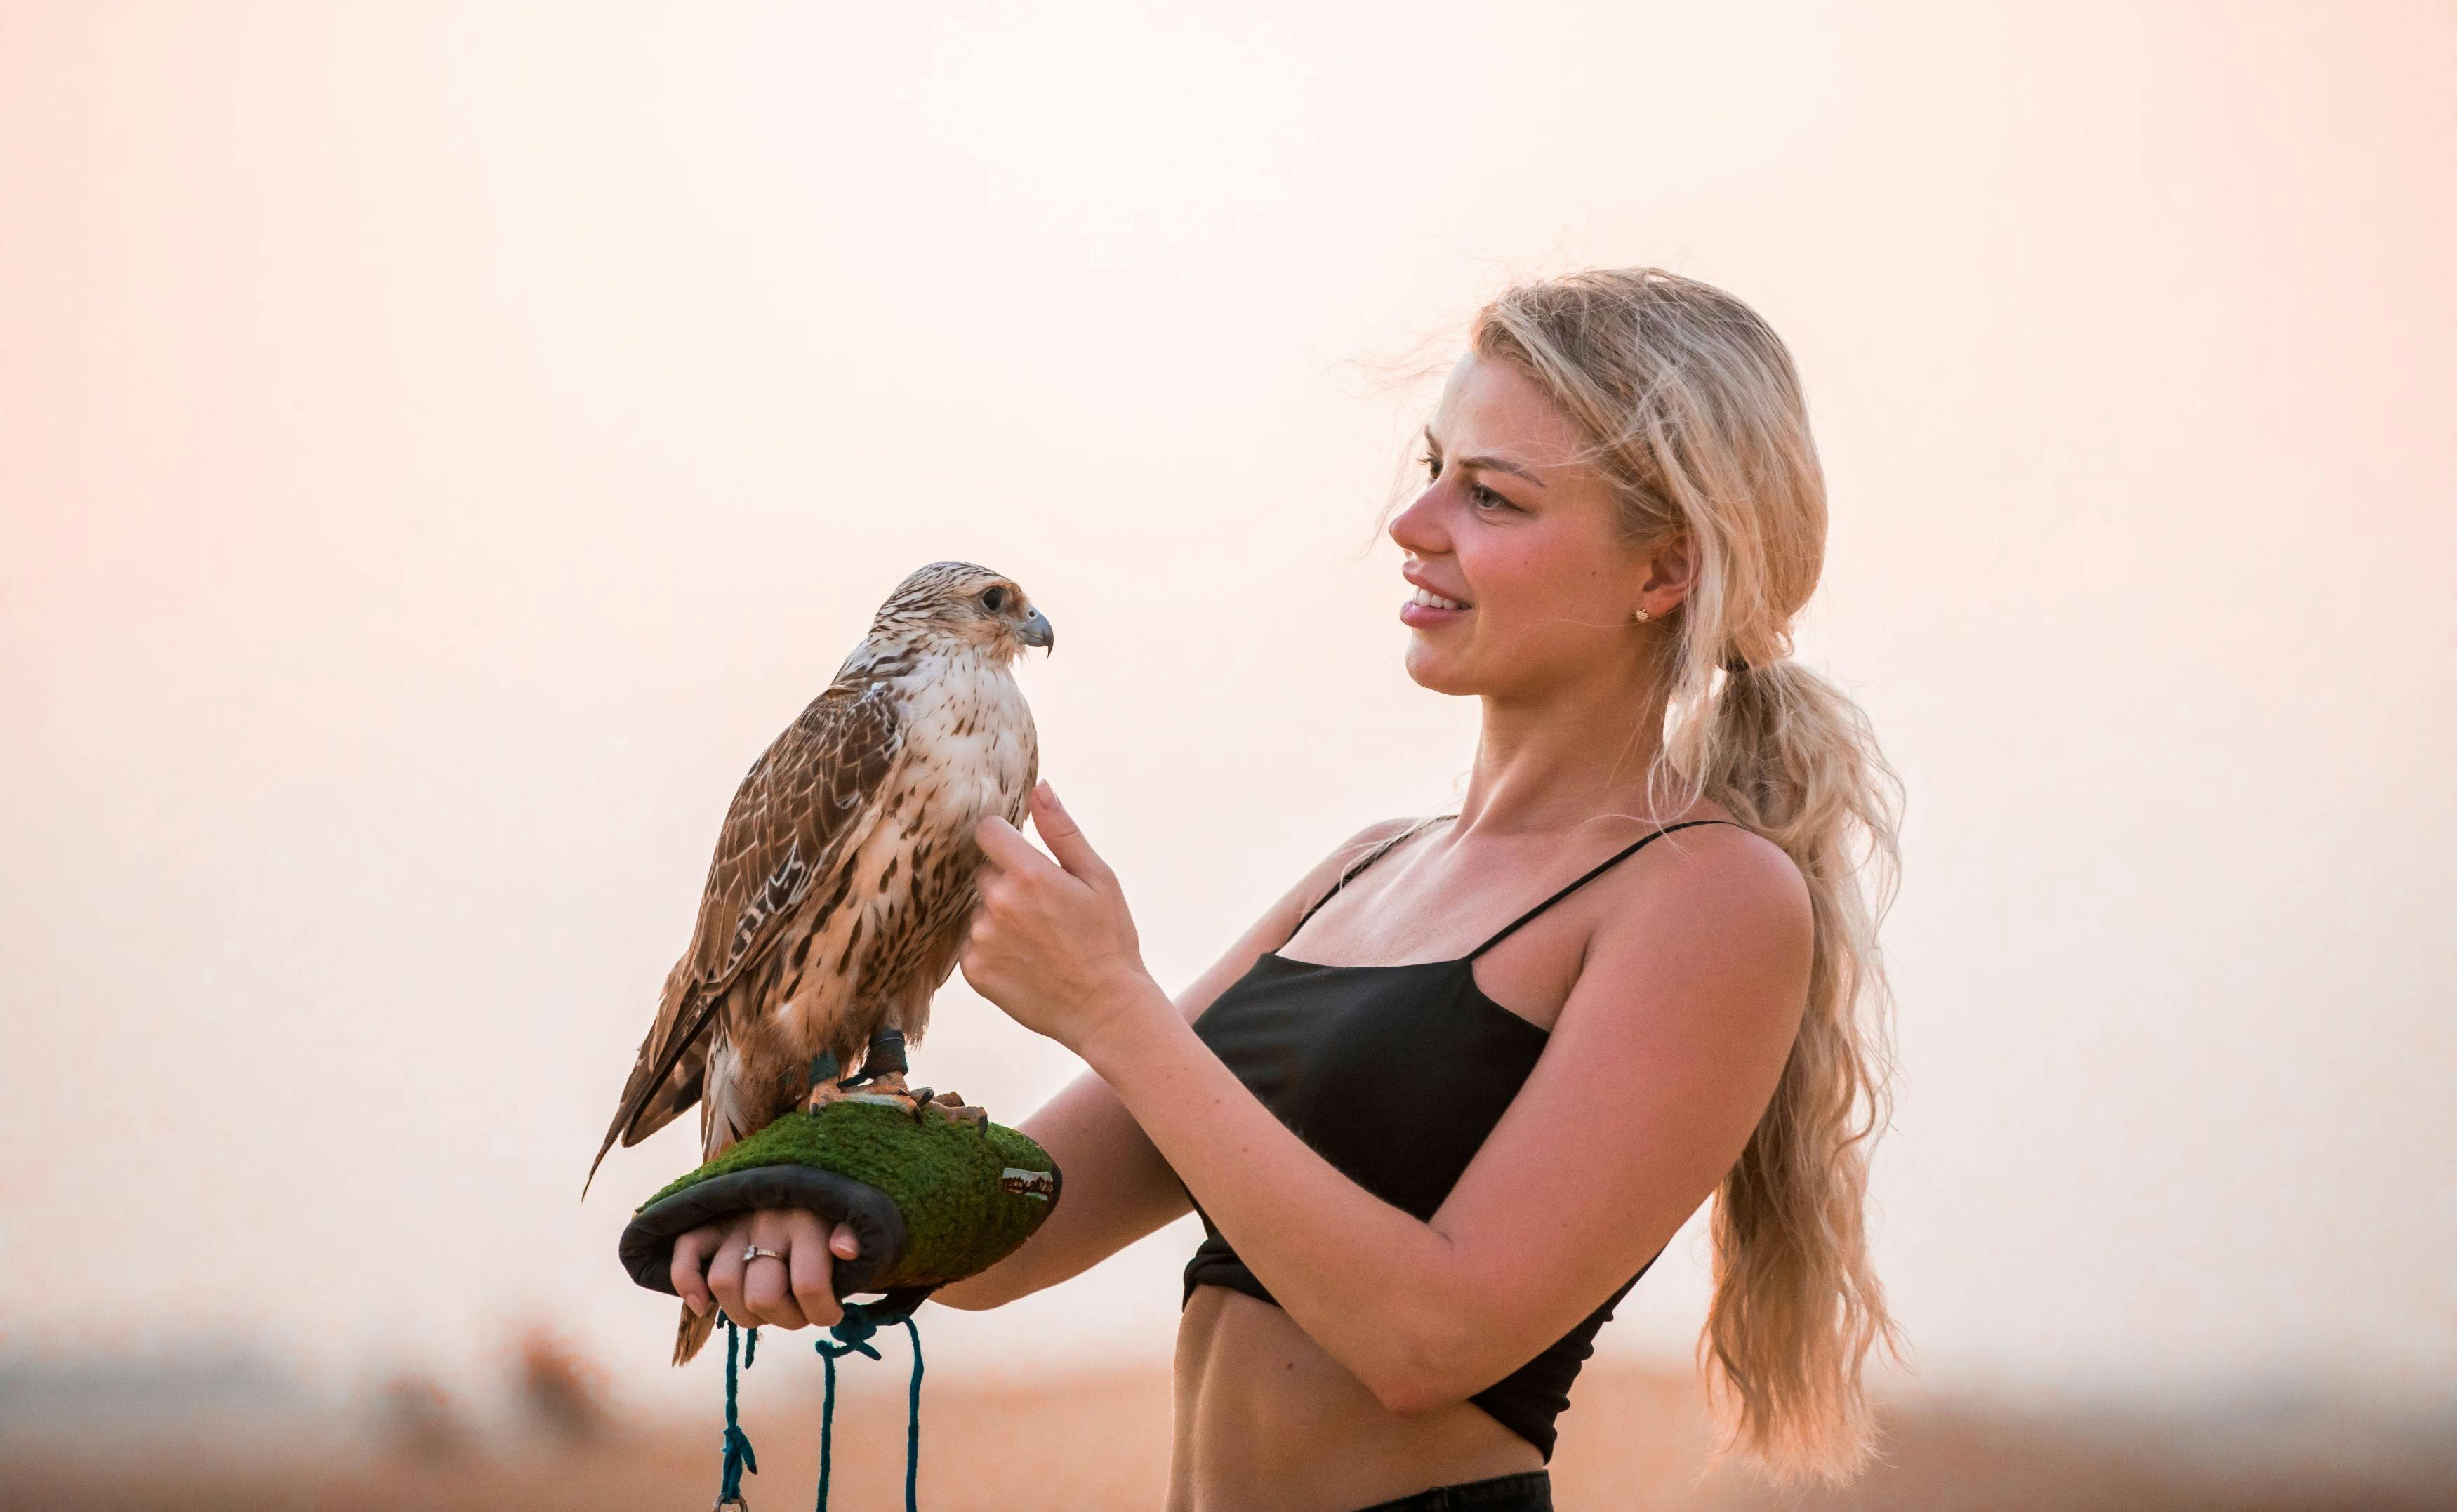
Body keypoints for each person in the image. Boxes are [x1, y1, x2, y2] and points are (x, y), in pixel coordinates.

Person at [670, 267, 1905, 1511]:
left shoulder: (1709, 894)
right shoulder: (1367, 867)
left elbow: (1436, 1339)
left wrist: (1108, 1002)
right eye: (1434, 468)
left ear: (1665, 570)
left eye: (1490, 495)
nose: (1415, 523)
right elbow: (1013, 1228)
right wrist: (812, 1197)